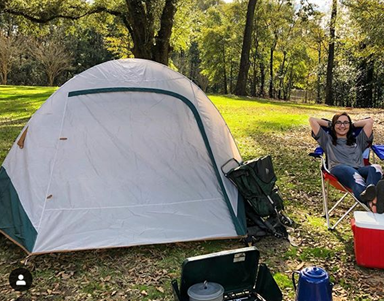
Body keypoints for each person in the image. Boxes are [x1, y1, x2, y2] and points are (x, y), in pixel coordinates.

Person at [309, 112, 384, 214]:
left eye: (345, 123)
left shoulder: (358, 140)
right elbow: (312, 120)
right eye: (338, 123)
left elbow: (369, 121)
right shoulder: (327, 140)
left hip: (359, 169)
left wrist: (352, 125)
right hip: (339, 169)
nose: (342, 126)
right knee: (354, 175)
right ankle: (373, 200)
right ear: (333, 125)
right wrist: (331, 124)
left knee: (376, 168)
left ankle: (372, 201)